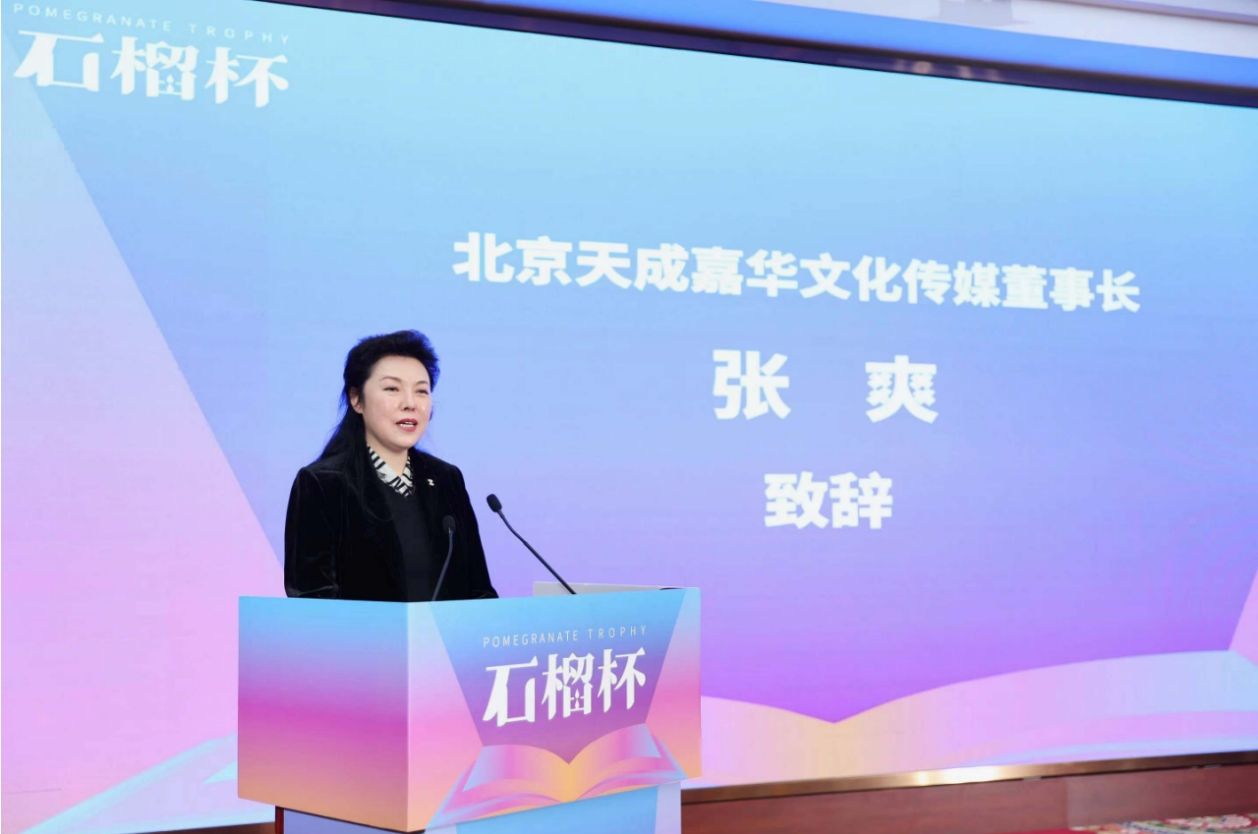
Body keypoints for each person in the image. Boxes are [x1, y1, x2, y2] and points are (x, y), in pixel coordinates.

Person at [284, 330, 497, 601]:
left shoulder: (446, 479)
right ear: (356, 399)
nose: (410, 403)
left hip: (443, 632)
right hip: (359, 632)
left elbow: (479, 590)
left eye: (421, 391)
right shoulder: (323, 484)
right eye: (392, 389)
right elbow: (312, 598)